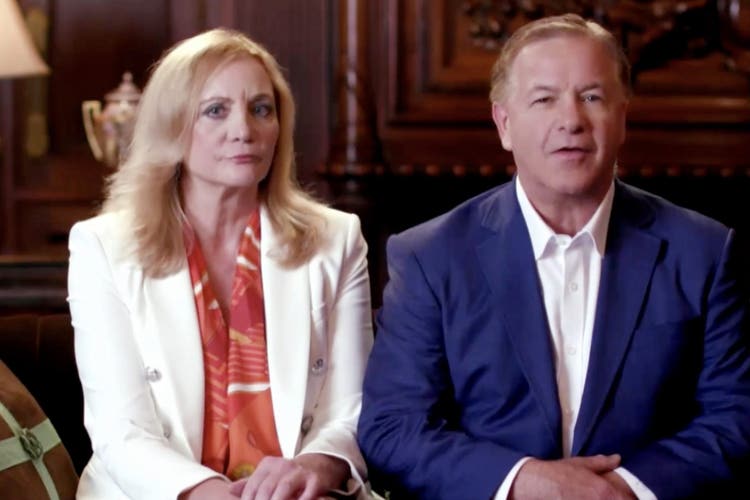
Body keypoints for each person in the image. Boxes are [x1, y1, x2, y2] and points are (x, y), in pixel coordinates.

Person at [357, 13, 750, 500]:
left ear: (622, 118)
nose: (572, 120)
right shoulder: (431, 257)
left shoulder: (704, 251)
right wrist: (527, 482)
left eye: (592, 97)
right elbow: (393, 428)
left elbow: (735, 417)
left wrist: (623, 490)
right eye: (544, 99)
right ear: (504, 124)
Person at [68, 28, 374, 500]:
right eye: (216, 110)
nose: (244, 130)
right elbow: (120, 432)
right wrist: (208, 492)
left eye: (261, 109)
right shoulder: (103, 247)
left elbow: (353, 407)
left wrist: (317, 465)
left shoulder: (337, 239)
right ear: (172, 127)